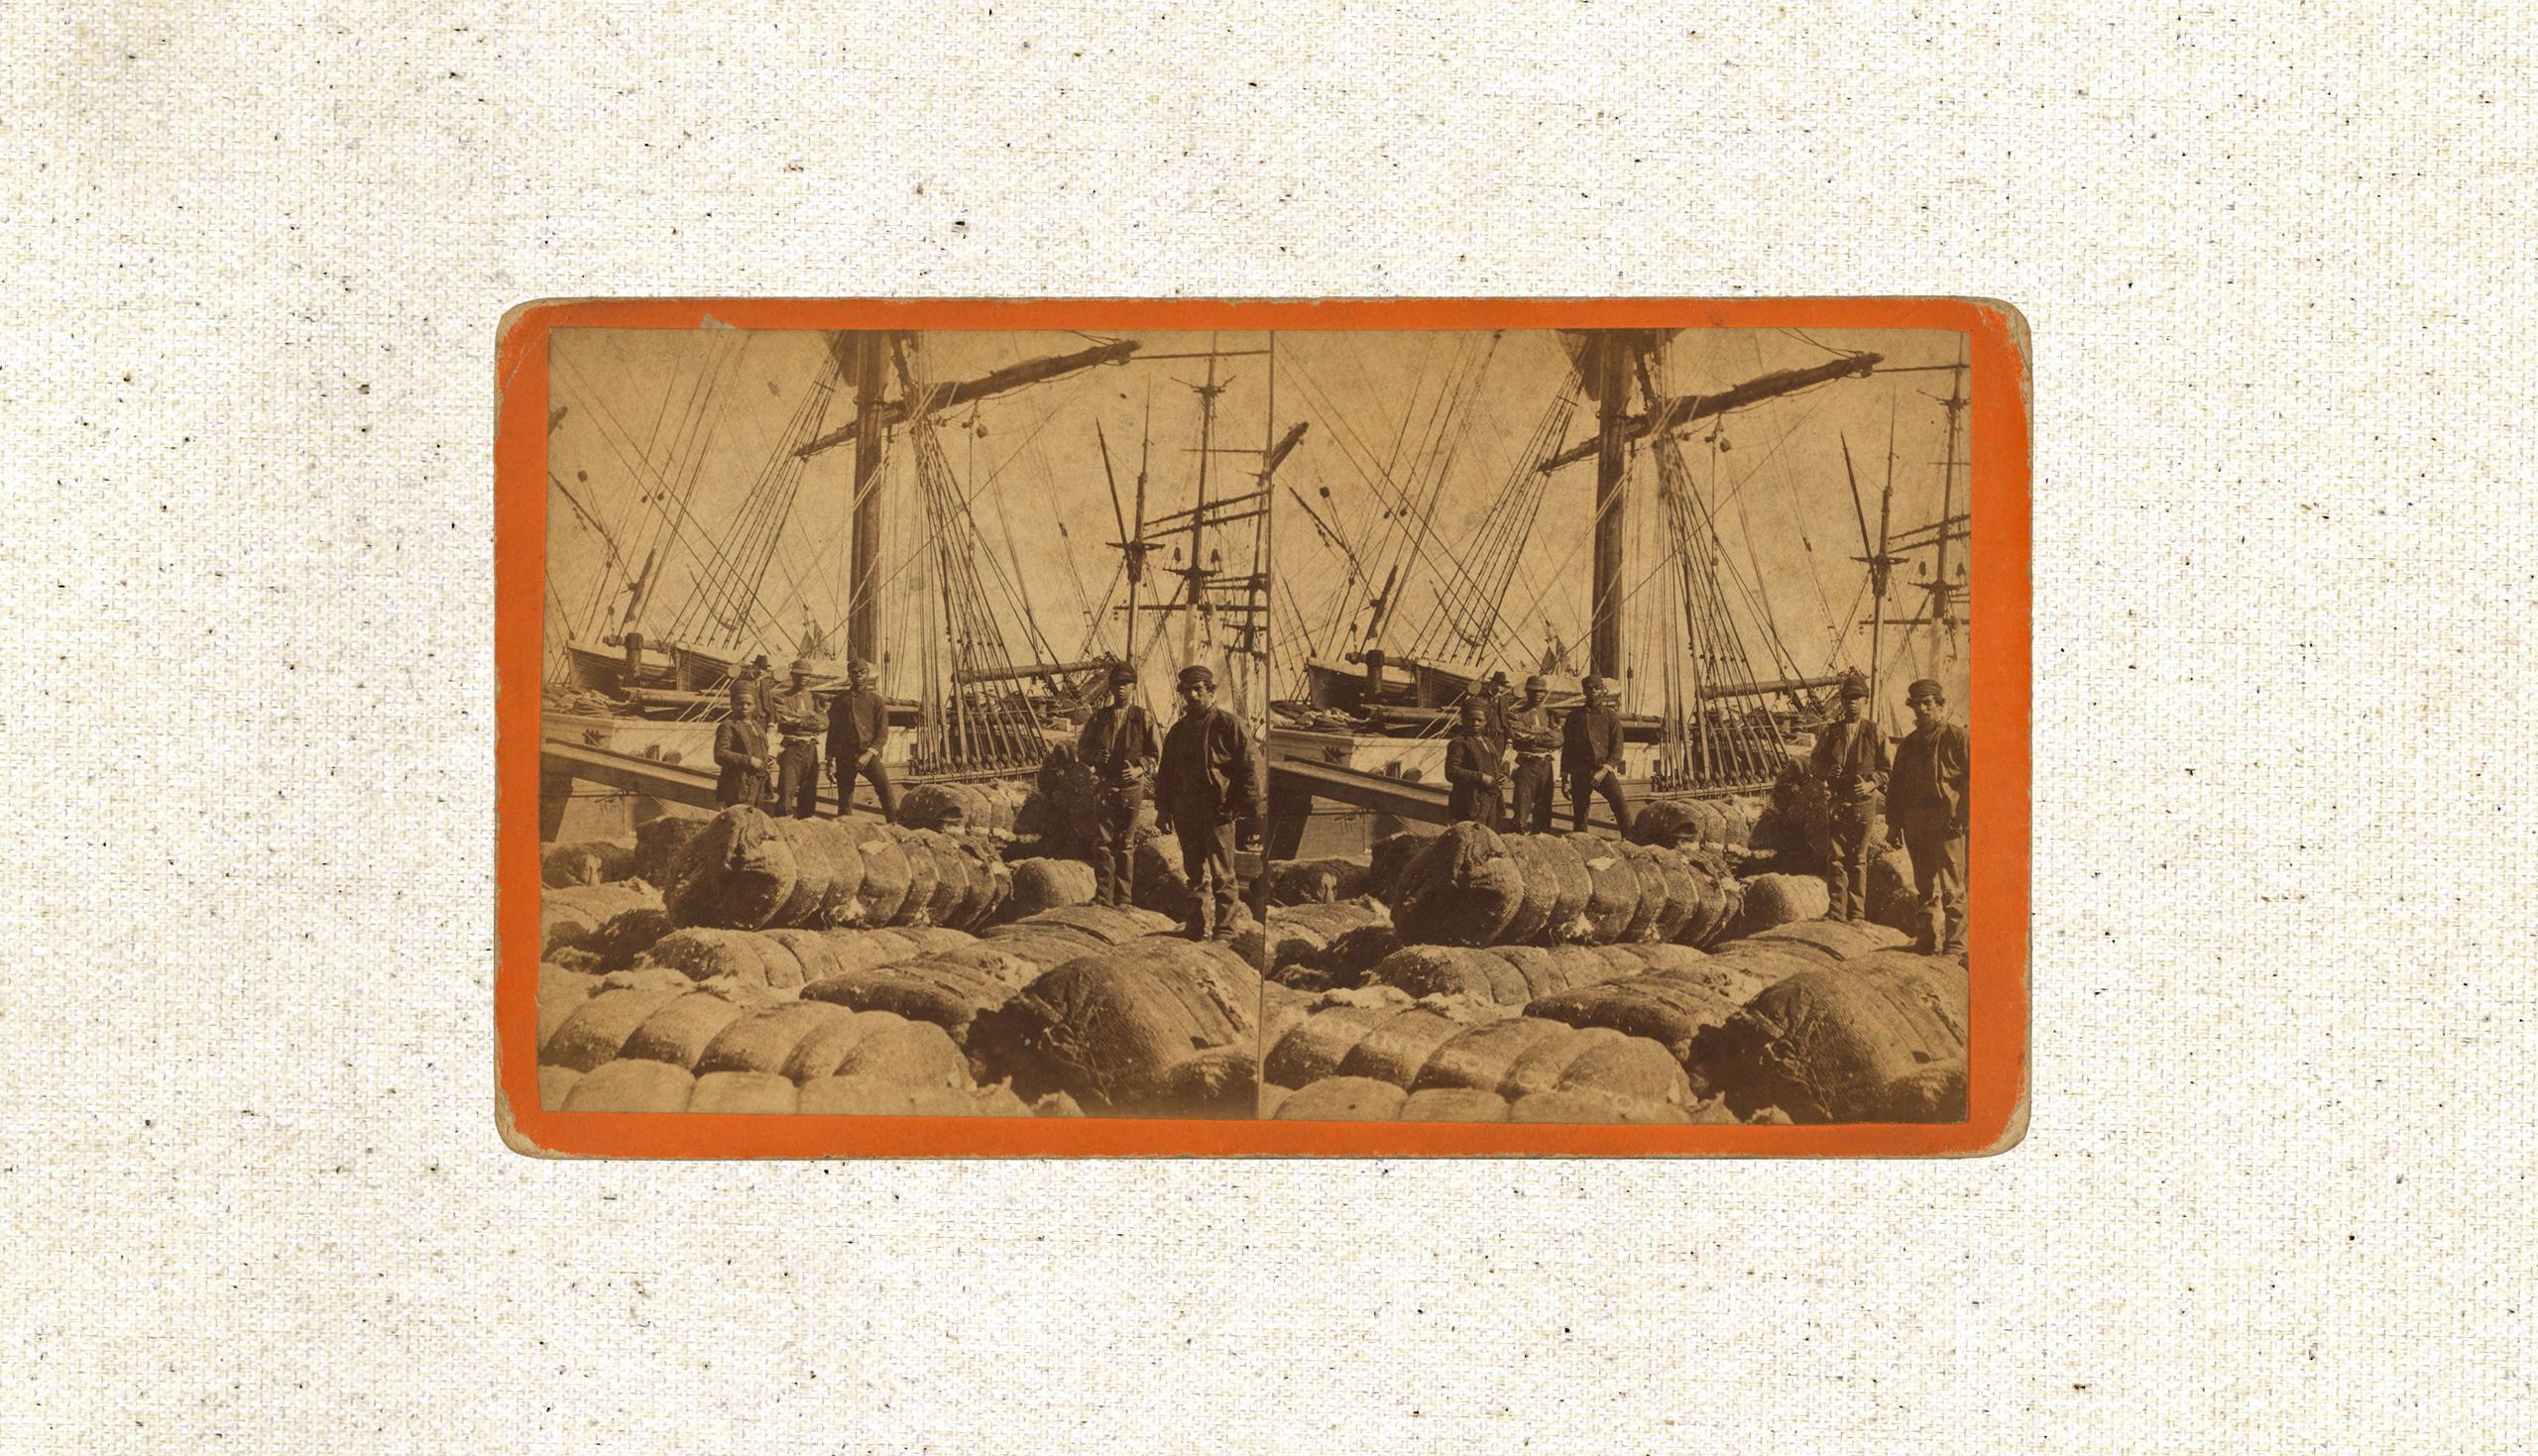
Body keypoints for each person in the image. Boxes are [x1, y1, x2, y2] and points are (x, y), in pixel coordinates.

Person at [1155, 664, 1264, 942]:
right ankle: (1195, 925)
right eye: (1187, 691)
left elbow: (1250, 766)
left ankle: (1225, 929)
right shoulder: (1178, 732)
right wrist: (1163, 809)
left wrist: (1245, 807)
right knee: (1193, 872)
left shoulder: (1229, 724)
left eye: (1198, 689)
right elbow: (1165, 772)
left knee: (1222, 873)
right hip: (1185, 809)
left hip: (1217, 809)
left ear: (1210, 691)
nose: (1192, 696)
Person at [1885, 678, 1971, 955]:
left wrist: (1962, 818)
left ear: (1940, 705)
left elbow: (1975, 781)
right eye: (1916, 704)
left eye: (1928, 703)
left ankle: (1955, 945)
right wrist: (1894, 825)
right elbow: (1896, 786)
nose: (1922, 709)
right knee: (1924, 886)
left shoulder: (1957, 738)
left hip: (1947, 822)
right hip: (1915, 822)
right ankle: (1926, 940)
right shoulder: (1908, 745)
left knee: (1952, 888)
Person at [1076, 662, 1161, 909]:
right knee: (1103, 842)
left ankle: (1123, 899)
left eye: (1126, 683)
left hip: (1131, 788)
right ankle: (1103, 896)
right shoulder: (1099, 717)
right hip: (1105, 784)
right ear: (1110, 687)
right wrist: (1094, 757)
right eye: (1116, 684)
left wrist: (1139, 769)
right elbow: (1083, 749)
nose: (1121, 688)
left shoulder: (1143, 717)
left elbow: (1155, 753)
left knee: (1125, 844)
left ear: (1134, 686)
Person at [1809, 669, 1888, 923]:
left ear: (1865, 701)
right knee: (1837, 857)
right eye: (1847, 698)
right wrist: (1826, 771)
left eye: (1857, 697)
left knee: (1858, 858)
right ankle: (1836, 912)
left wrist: (1870, 784)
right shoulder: (1831, 732)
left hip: (1864, 803)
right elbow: (1815, 764)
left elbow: (1888, 769)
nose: (1851, 702)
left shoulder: (1875, 733)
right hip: (1838, 800)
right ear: (1841, 701)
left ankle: (1856, 914)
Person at [825, 657, 896, 821]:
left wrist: (869, 754)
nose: (858, 675)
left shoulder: (876, 700)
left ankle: (895, 824)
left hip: (867, 754)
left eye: (862, 672)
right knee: (845, 796)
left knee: (884, 788)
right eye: (854, 672)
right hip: (844, 756)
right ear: (849, 675)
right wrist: (830, 760)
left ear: (868, 674)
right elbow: (832, 732)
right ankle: (846, 828)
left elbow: (882, 732)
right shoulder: (839, 701)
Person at [1560, 675, 1632, 835]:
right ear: (1584, 691)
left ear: (1603, 691)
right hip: (1579, 772)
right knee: (1580, 813)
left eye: (1597, 688)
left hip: (1603, 770)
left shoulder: (1610, 716)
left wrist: (1604, 770)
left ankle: (1631, 841)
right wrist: (1565, 778)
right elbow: (1568, 750)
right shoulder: (1574, 717)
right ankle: (1581, 844)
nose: (1593, 692)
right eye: (1589, 689)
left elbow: (1617, 747)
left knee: (1620, 806)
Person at [1504, 673, 1560, 833]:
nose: (1537, 695)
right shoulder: (1516, 713)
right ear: (1527, 692)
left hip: (1546, 766)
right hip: (1527, 765)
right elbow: (1518, 736)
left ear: (1544, 693)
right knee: (1522, 807)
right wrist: (1545, 732)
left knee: (1544, 810)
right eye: (1533, 691)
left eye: (1540, 691)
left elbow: (1558, 740)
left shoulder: (1550, 714)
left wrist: (1533, 735)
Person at [769, 657, 824, 819]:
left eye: (807, 675)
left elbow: (823, 724)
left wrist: (800, 718)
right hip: (792, 748)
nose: (803, 678)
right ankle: (781, 826)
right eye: (799, 675)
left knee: (809, 793)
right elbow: (784, 719)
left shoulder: (815, 698)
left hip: (811, 749)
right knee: (786, 791)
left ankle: (805, 826)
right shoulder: (781, 697)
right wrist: (811, 716)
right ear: (792, 676)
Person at [1442, 699, 1506, 828]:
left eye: (1480, 720)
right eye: (1471, 719)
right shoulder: (1459, 743)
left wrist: (1503, 775)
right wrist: (1480, 777)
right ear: (1463, 720)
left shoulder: (1487, 742)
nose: (1475, 723)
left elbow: (1494, 765)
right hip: (1470, 801)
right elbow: (1451, 771)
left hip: (1491, 800)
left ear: (1486, 721)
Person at [712, 680, 770, 809]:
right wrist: (748, 760)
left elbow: (760, 750)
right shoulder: (728, 726)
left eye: (748, 704)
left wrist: (768, 760)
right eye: (740, 703)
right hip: (737, 786)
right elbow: (720, 754)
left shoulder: (757, 726)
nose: (744, 707)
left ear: (755, 705)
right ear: (732, 704)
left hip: (758, 785)